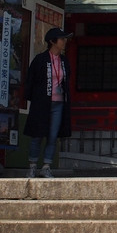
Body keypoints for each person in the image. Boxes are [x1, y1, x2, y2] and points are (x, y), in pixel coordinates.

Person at [23, 27, 73, 178]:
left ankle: (46, 166)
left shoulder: (64, 61)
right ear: (52, 41)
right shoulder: (40, 59)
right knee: (37, 135)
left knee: (52, 136)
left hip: (59, 103)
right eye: (62, 39)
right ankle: (32, 166)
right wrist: (36, 99)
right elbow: (30, 81)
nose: (64, 41)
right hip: (42, 103)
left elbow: (67, 80)